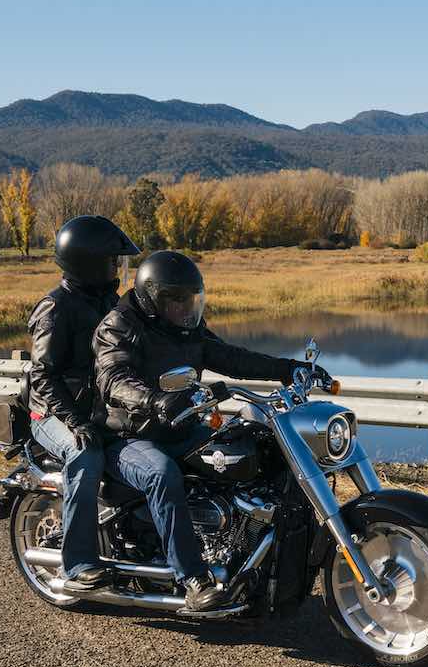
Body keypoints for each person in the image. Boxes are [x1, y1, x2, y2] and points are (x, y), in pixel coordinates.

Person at [94, 250, 328, 613]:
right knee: (161, 474)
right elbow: (113, 378)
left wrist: (288, 369)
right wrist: (153, 399)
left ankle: (258, 560)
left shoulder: (186, 327)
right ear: (154, 299)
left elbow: (230, 357)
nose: (187, 309)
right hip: (129, 435)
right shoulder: (118, 326)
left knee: (255, 451)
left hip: (180, 427)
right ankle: (193, 579)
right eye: (178, 301)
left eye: (192, 300)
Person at [27, 215, 140, 591]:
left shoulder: (110, 303)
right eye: (111, 261)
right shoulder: (56, 308)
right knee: (86, 454)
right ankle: (77, 564)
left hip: (96, 409)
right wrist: (75, 422)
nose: (116, 268)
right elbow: (43, 376)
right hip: (52, 413)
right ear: (87, 263)